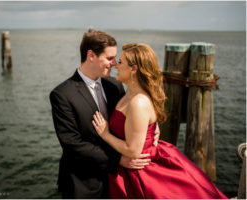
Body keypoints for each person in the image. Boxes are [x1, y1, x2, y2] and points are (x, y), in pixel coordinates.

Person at [92, 43, 228, 199]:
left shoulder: (138, 102)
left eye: (121, 61)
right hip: (129, 166)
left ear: (134, 69)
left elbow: (133, 151)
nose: (116, 64)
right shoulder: (128, 93)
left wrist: (105, 134)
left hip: (142, 171)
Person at [49, 30, 160, 198]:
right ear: (91, 55)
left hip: (118, 180)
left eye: (116, 58)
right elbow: (73, 144)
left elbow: (133, 115)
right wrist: (117, 160)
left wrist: (152, 124)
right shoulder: (62, 94)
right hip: (83, 182)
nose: (114, 63)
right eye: (109, 58)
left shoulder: (114, 85)